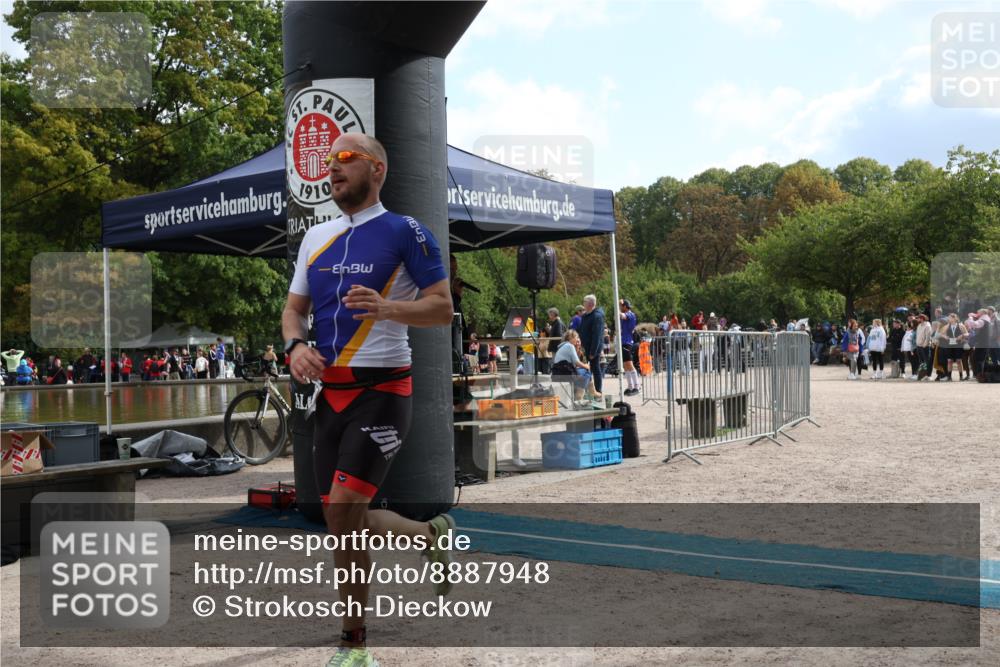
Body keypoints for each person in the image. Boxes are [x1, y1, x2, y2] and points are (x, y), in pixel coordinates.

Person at [282, 133, 456, 667]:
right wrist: (295, 347)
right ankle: (428, 533)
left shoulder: (408, 232)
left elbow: (443, 309)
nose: (331, 167)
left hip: (382, 391)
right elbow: (294, 311)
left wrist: (387, 309)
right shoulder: (316, 237)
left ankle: (354, 645)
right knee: (338, 518)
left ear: (376, 169)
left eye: (345, 159)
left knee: (343, 508)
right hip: (328, 397)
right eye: (327, 161)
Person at [551, 329, 600, 405]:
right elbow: (577, 362)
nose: (577, 340)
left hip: (558, 373)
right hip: (564, 373)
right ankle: (580, 396)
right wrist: (586, 366)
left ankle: (591, 392)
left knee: (584, 371)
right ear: (571, 337)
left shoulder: (563, 346)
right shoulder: (569, 346)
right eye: (576, 337)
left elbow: (574, 364)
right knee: (586, 372)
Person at [577, 294, 606, 395]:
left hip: (593, 348)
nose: (583, 304)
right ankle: (585, 391)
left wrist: (593, 352)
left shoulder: (597, 316)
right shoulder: (585, 316)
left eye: (584, 302)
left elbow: (597, 335)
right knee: (584, 369)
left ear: (590, 304)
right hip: (584, 348)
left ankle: (598, 391)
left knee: (595, 368)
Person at [937, 313, 968, 382]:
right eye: (949, 318)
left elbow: (967, 333)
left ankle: (961, 376)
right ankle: (949, 377)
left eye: (950, 318)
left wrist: (962, 335)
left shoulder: (960, 325)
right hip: (949, 345)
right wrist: (945, 337)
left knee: (959, 361)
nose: (949, 319)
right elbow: (940, 334)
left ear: (955, 318)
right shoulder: (947, 326)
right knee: (949, 361)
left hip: (958, 345)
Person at [619, 298, 640, 396]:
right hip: (624, 341)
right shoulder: (627, 314)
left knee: (629, 364)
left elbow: (621, 315)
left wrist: (618, 304)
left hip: (627, 342)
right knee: (625, 365)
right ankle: (630, 386)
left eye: (621, 306)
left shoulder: (630, 314)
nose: (620, 308)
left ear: (625, 307)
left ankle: (637, 386)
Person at [542, 307, 564, 375]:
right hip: (556, 347)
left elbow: (559, 335)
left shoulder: (558, 323)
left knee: (555, 362)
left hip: (557, 347)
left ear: (553, 314)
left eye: (549, 314)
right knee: (554, 362)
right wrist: (550, 331)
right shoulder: (555, 323)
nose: (549, 316)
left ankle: (556, 376)